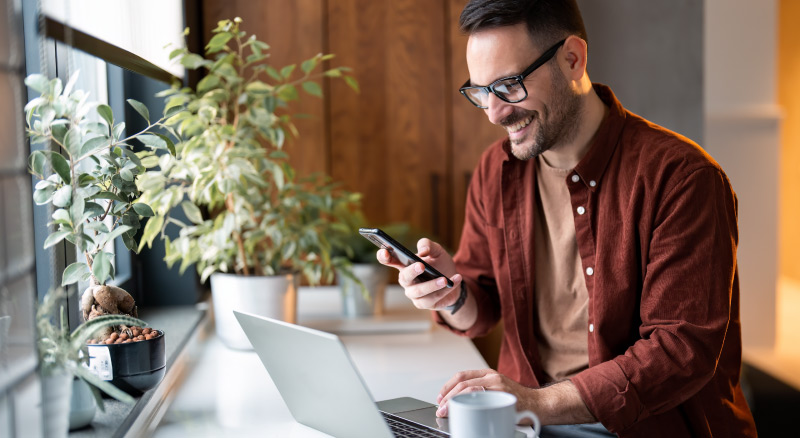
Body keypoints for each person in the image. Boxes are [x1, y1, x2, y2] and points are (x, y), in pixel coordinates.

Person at [376, 0, 758, 437]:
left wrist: (533, 402)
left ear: (572, 58)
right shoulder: (496, 170)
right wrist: (450, 295)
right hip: (529, 423)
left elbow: (679, 351)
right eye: (481, 92)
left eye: (509, 85)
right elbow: (481, 309)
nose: (495, 113)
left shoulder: (682, 179)